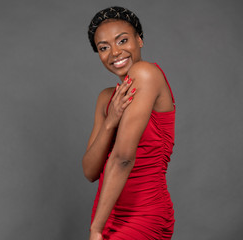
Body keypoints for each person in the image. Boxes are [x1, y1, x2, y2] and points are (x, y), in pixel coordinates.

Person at [82, 7, 176, 240]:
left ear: (139, 40)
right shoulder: (106, 98)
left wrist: (95, 229)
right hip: (106, 211)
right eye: (104, 47)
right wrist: (109, 123)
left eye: (122, 40)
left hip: (143, 214)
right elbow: (90, 171)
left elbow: (123, 158)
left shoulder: (146, 74)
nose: (115, 52)